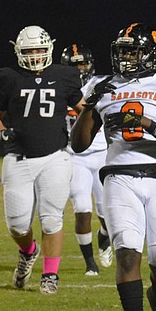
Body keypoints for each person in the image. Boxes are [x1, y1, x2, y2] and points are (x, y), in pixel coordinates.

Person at [70, 22, 156, 311]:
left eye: (132, 50)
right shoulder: (102, 85)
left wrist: (148, 124)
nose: (125, 57)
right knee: (127, 253)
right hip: (118, 176)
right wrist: (88, 106)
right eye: (122, 50)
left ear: (151, 54)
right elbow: (79, 145)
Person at [0, 25, 84, 294]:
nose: (35, 54)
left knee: (52, 219)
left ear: (49, 48)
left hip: (55, 157)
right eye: (29, 50)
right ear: (18, 51)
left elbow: (84, 110)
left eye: (39, 49)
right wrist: (2, 134)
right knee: (16, 224)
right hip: (18, 158)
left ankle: (50, 275)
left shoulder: (65, 76)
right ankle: (29, 251)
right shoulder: (8, 77)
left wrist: (93, 118)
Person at [60, 44, 113, 276]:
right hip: (75, 156)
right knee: (82, 207)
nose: (80, 68)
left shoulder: (100, 84)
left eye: (83, 63)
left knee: (106, 213)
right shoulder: (59, 87)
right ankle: (89, 263)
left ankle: (104, 235)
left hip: (102, 153)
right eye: (75, 65)